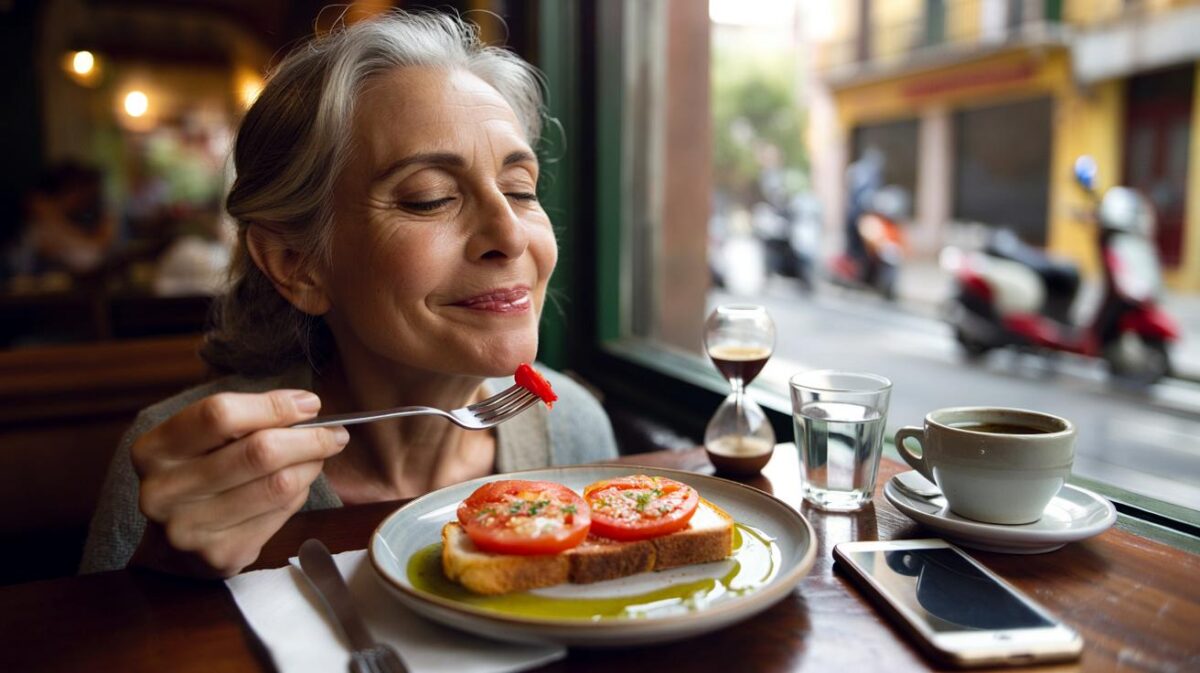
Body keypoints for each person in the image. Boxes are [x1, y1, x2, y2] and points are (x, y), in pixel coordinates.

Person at [80, 11, 618, 578]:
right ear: (299, 265)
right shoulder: (189, 460)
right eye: (429, 198)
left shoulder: (571, 425)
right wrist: (163, 578)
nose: (509, 236)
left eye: (520, 189)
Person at [8, 161, 116, 279]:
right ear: (70, 190)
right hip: (17, 286)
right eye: (80, 192)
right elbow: (90, 256)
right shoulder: (42, 214)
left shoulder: (59, 217)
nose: (83, 200)